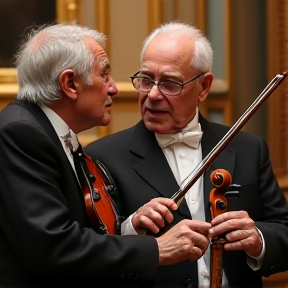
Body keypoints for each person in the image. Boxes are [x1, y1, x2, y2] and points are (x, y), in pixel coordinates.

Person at [0, 23, 212, 288]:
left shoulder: (43, 129)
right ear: (70, 84)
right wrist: (157, 249)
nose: (114, 88)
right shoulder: (21, 133)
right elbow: (54, 247)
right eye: (105, 75)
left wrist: (130, 227)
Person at [85, 21, 288, 288]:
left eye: (170, 83)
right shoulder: (102, 156)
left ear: (204, 86)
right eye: (146, 80)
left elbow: (284, 233)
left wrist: (259, 239)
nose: (153, 95)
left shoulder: (248, 148)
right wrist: (131, 229)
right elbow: (90, 254)